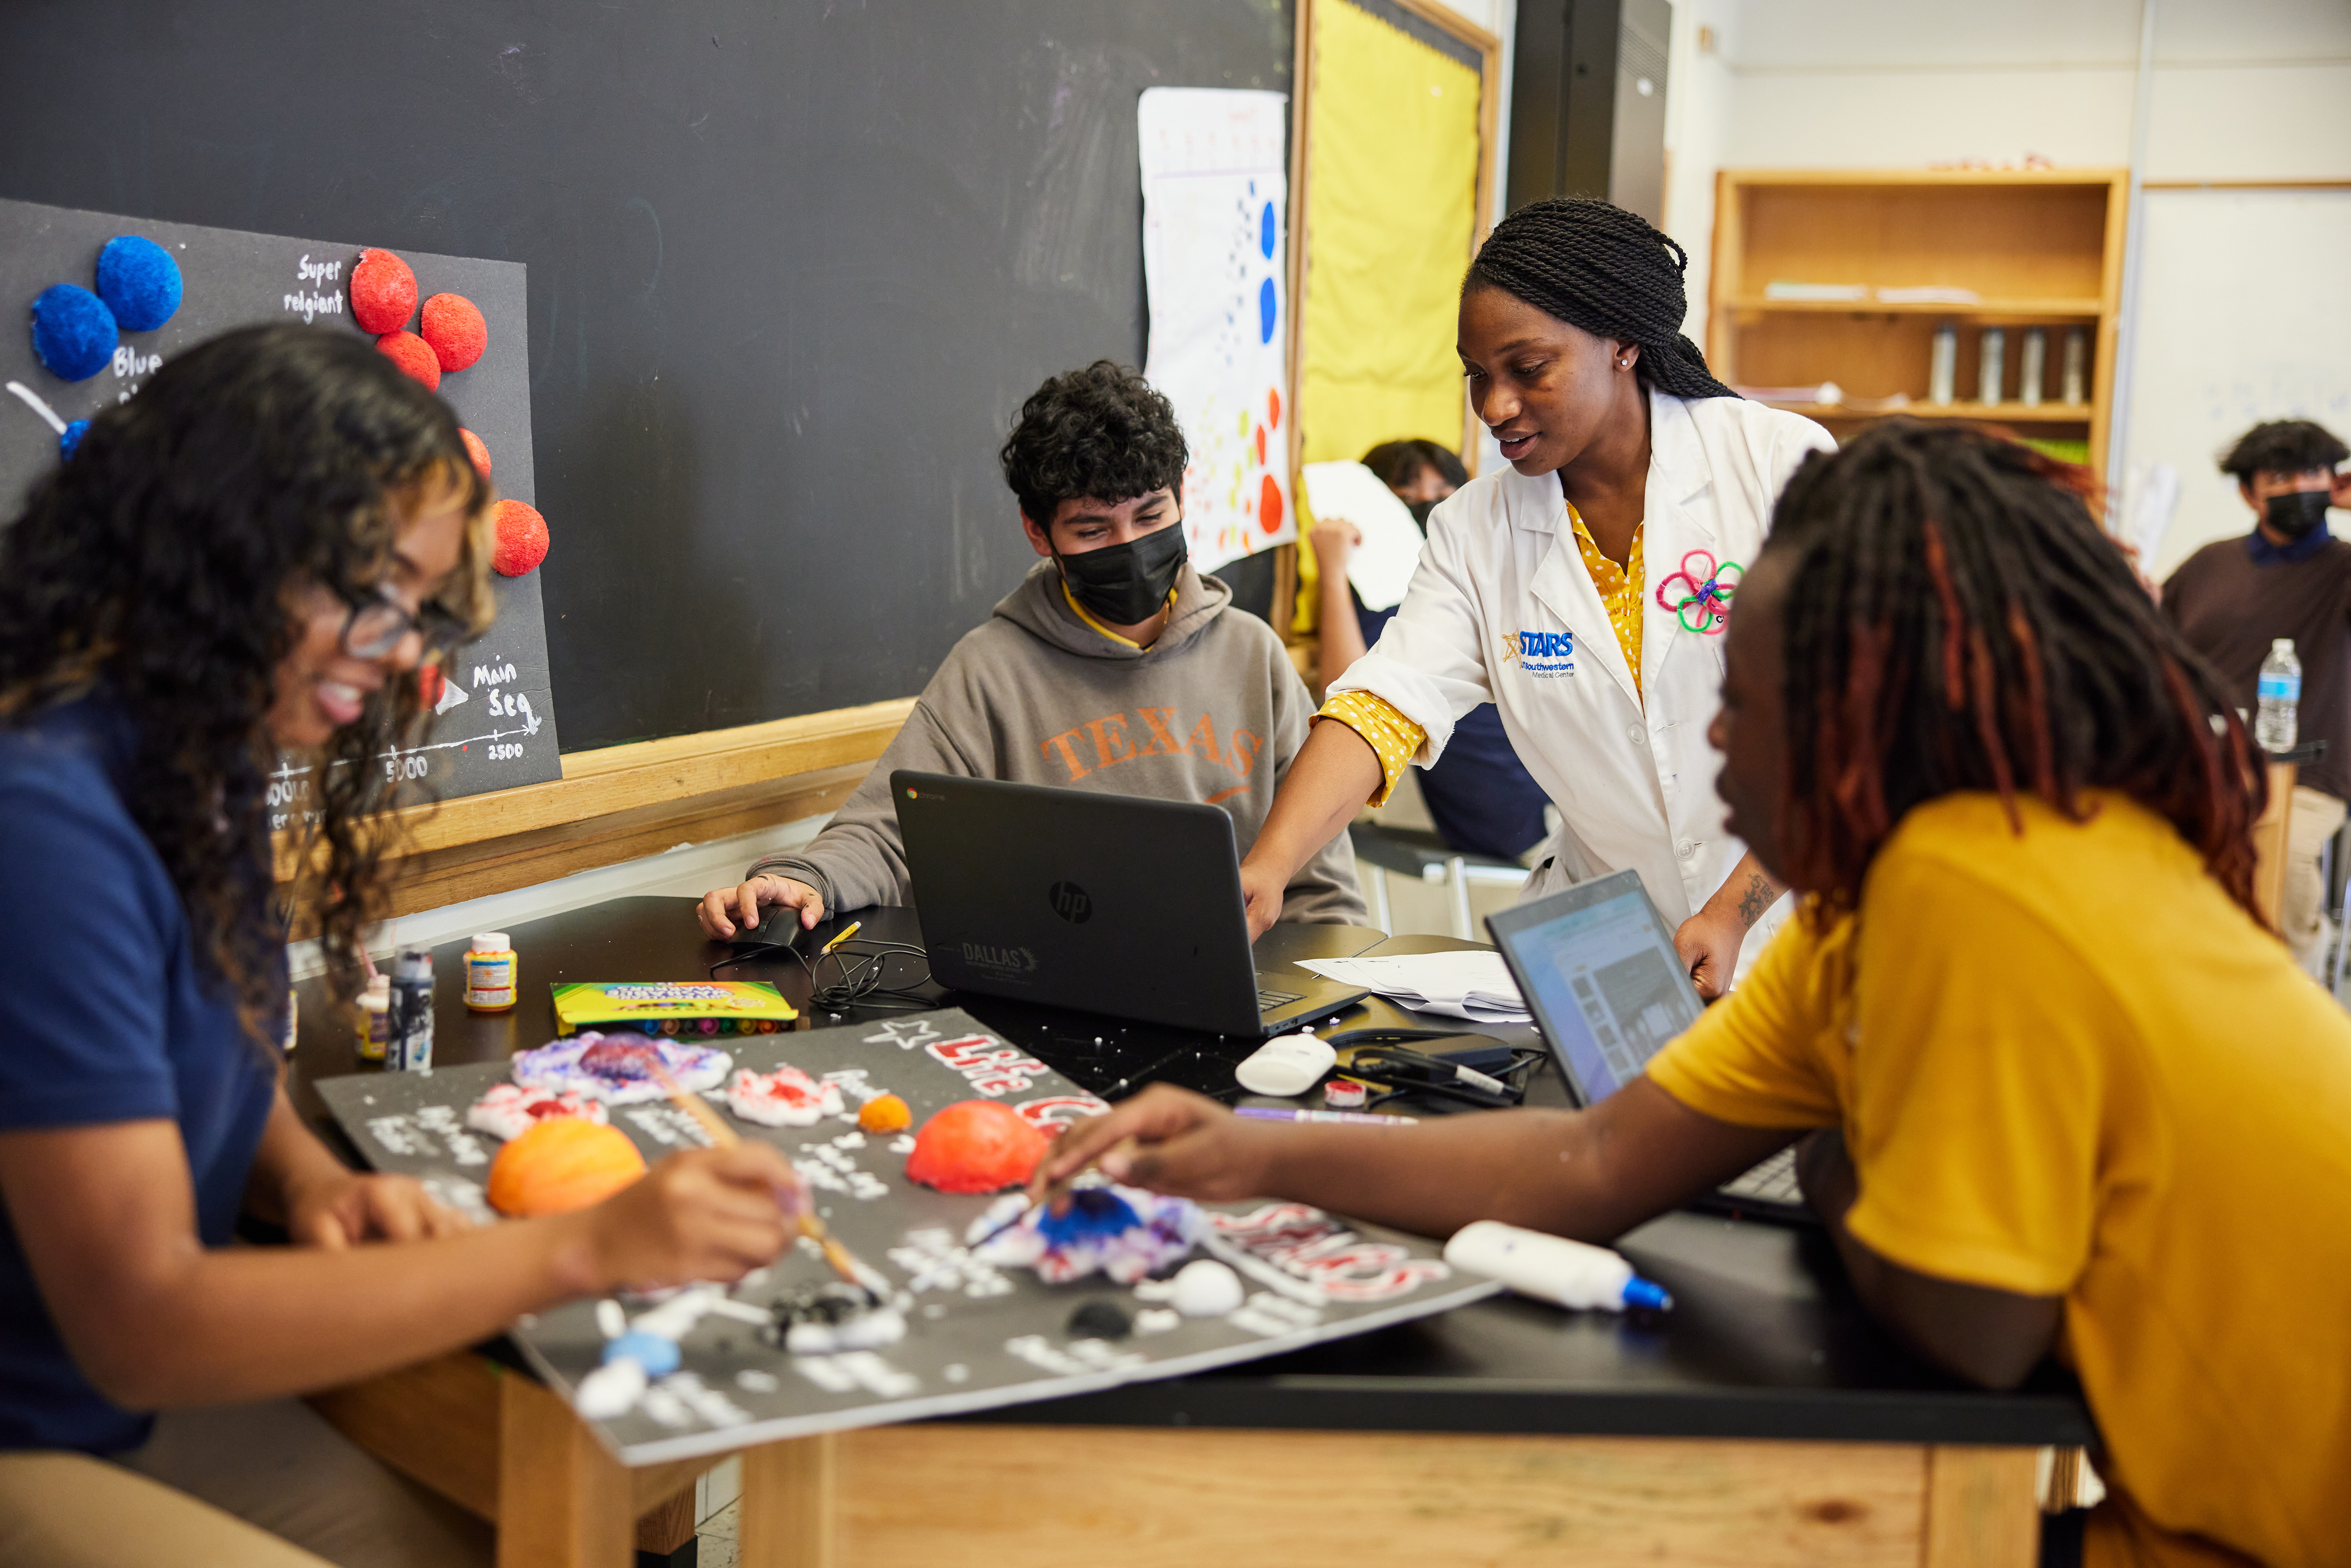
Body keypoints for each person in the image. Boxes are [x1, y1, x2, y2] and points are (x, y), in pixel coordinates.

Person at [1040, 421, 2351, 1568]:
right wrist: (1251, 1153)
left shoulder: (1985, 883)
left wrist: (1835, 1144)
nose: (1718, 730)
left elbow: (1974, 1329)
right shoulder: (1863, 915)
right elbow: (1599, 1153)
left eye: (1755, 696)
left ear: (1866, 720)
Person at [0, 326, 802, 1568]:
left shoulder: (195, 756)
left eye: (420, 615)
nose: (404, 660)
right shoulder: (43, 819)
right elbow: (142, 1318)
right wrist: (584, 1247)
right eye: (375, 598)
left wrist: (306, 1182)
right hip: (48, 1422)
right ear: (225, 545)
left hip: (124, 1399)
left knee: (537, 1525)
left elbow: (218, 1054)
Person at [1245, 199, 1836, 996]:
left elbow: (1851, 725)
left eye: (1529, 370)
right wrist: (1268, 865)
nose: (1494, 408)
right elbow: (1385, 703)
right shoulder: (1474, 531)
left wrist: (1735, 909)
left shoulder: (1774, 464)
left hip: (1802, 925)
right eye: (1477, 376)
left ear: (1623, 341)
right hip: (1609, 939)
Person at [697, 361, 1362, 939]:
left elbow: (1323, 887)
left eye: (1152, 515)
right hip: (1061, 999)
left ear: (1183, 496)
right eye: (1093, 528)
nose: (1129, 545)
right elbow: (887, 833)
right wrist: (799, 877)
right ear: (1038, 533)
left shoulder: (1254, 655)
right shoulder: (992, 670)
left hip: (1243, 989)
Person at [2162, 417, 2351, 976]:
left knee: (2285, 859)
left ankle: (2301, 992)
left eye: (2314, 473)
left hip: (2312, 777)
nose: (2300, 488)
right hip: (2204, 765)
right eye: (2281, 476)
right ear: (2249, 492)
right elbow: (2152, 642)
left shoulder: (2343, 571)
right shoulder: (2208, 565)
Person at [1310, 440, 1550, 861]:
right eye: (1406, 497)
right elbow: (1348, 696)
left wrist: (1333, 573)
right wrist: (1336, 572)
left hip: (1527, 810)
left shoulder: (1466, 575)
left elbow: (1345, 689)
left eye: (1443, 496)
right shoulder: (1381, 584)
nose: (1427, 507)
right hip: (1526, 815)